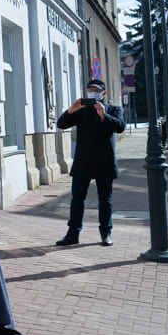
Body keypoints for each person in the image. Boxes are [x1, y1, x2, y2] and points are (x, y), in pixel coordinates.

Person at [55, 79, 125, 247]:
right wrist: (70, 111)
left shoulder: (114, 109)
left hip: (104, 162)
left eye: (96, 90)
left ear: (103, 93)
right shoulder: (81, 110)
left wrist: (104, 115)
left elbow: (120, 126)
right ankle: (73, 234)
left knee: (105, 201)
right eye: (90, 90)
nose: (93, 93)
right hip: (83, 163)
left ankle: (106, 234)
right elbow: (61, 124)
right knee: (77, 199)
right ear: (86, 93)